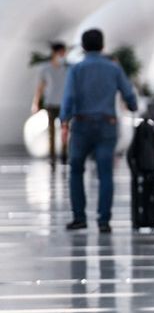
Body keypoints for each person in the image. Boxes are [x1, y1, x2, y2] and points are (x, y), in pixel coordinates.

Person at [60, 29, 138, 232]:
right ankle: (104, 220)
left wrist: (64, 121)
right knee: (105, 173)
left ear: (83, 47)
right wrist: (132, 105)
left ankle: (79, 217)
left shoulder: (76, 69)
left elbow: (68, 97)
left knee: (76, 170)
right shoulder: (113, 69)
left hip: (82, 126)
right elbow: (129, 94)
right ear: (103, 46)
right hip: (107, 125)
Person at [32, 42, 69, 164]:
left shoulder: (67, 68)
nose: (63, 55)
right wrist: (36, 102)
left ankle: (64, 154)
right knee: (51, 132)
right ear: (55, 53)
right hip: (51, 102)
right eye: (61, 52)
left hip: (64, 103)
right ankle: (52, 156)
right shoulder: (45, 68)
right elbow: (41, 86)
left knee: (65, 130)